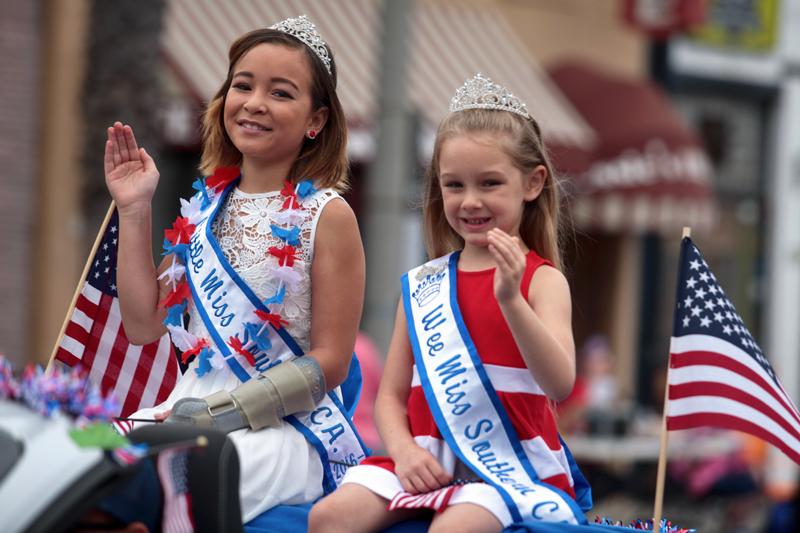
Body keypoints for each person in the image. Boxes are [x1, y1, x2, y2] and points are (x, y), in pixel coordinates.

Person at [102, 15, 367, 524]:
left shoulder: (328, 216)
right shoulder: (203, 209)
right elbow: (141, 324)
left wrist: (221, 415)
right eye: (242, 85)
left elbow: (331, 362)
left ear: (316, 121)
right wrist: (135, 210)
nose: (255, 102)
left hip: (278, 429)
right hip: (180, 410)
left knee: (165, 481)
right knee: (78, 461)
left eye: (281, 93)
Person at [309, 74, 592, 533]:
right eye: (454, 185)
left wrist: (510, 300)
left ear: (533, 183)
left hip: (510, 469)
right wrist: (403, 451)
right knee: (329, 517)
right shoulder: (423, 285)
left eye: (490, 183)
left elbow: (560, 383)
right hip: (426, 457)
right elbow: (391, 396)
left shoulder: (542, 280)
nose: (470, 200)